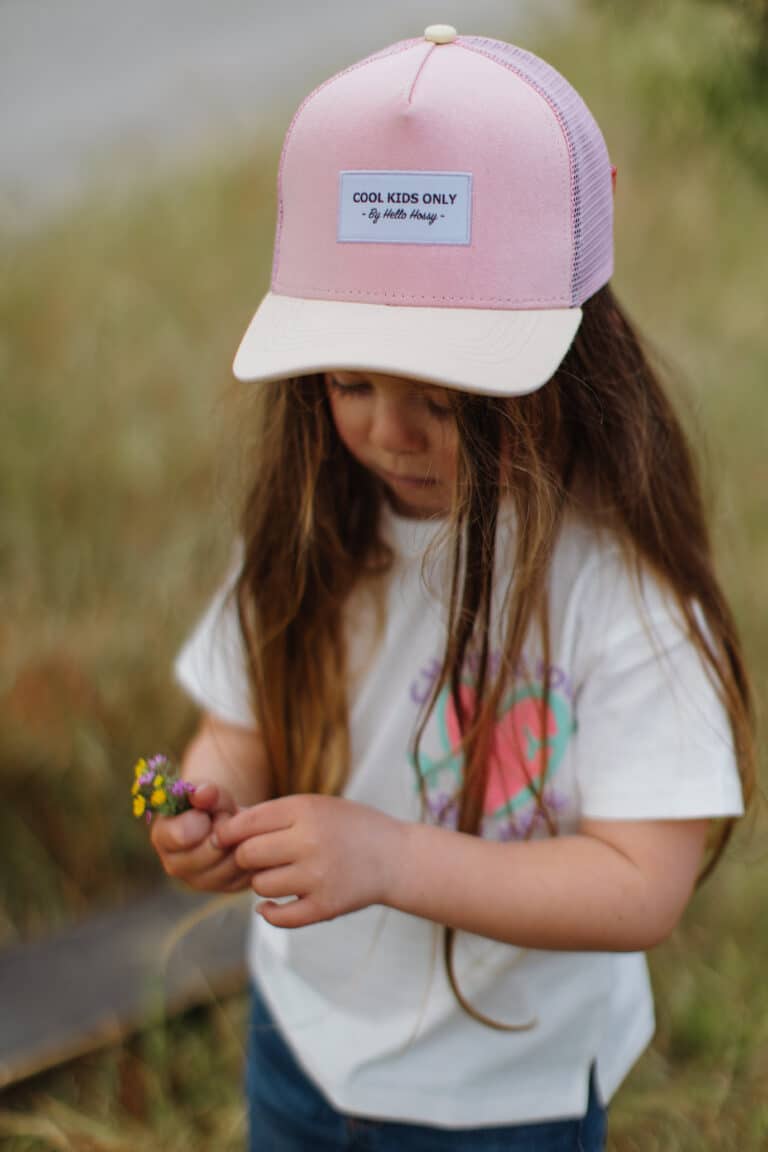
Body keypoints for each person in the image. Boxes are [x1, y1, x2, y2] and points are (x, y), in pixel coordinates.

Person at [150, 25, 755, 1151]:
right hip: (303, 1039)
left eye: (448, 394)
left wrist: (387, 858)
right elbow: (239, 721)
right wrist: (209, 805)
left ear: (568, 362)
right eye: (349, 380)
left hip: (502, 1094)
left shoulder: (612, 586)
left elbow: (642, 886)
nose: (389, 430)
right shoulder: (307, 534)